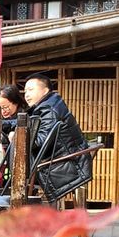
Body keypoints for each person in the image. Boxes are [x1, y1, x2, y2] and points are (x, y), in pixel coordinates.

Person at [22, 73, 92, 202]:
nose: (26, 94)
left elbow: (42, 143)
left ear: (45, 90)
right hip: (69, 162)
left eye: (31, 90)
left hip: (64, 166)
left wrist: (18, 137)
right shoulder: (50, 104)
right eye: (25, 91)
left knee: (16, 175)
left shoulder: (48, 110)